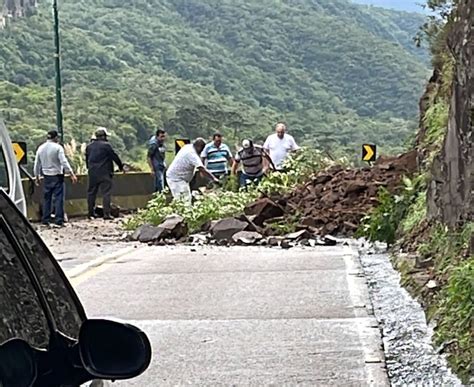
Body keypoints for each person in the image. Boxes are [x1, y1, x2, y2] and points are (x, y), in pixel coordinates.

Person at [34, 130, 77, 227]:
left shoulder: (41, 148)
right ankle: (59, 220)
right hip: (57, 175)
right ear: (56, 138)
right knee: (58, 198)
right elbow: (63, 162)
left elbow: (37, 164)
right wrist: (71, 173)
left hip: (46, 176)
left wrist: (37, 176)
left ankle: (45, 219)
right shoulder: (58, 148)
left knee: (47, 198)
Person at [85, 127, 124, 220]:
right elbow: (114, 156)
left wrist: (89, 168)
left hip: (92, 172)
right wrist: (120, 166)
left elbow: (87, 160)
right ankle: (106, 214)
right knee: (106, 193)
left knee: (91, 193)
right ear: (103, 136)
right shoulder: (106, 146)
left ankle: (90, 213)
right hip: (105, 172)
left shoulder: (89, 147)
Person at [166, 138, 218, 204]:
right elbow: (202, 169)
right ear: (199, 147)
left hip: (180, 178)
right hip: (176, 179)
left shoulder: (188, 147)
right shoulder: (192, 154)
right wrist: (214, 179)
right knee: (184, 200)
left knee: (185, 198)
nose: (201, 151)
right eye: (202, 149)